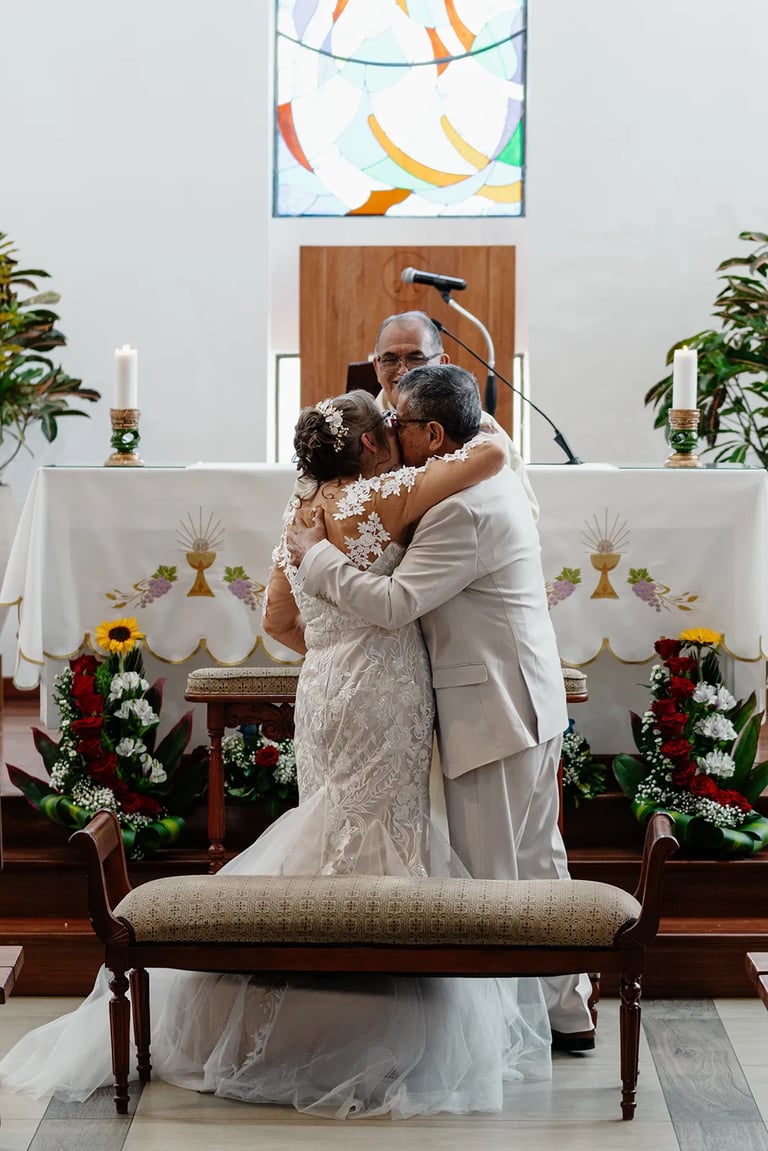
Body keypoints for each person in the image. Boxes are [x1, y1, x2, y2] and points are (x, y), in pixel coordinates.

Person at [0, 389, 552, 1118]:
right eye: (386, 427)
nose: (395, 432)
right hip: (381, 693)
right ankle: (373, 1030)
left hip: (324, 690)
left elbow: (277, 619)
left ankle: (299, 1006)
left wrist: (336, 648)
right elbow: (486, 454)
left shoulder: (303, 513)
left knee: (329, 834)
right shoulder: (384, 496)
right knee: (381, 838)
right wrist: (375, 649)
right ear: (366, 448)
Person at [287, 365, 595, 1051]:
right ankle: (566, 1012)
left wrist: (314, 560)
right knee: (538, 860)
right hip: (525, 697)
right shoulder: (489, 462)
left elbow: (396, 605)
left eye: (400, 420)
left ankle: (502, 1041)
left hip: (493, 709)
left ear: (433, 432)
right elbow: (486, 430)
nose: (388, 430)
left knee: (492, 882)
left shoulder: (460, 507)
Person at [371, 310, 539, 519]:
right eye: (390, 359)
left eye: (416, 358)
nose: (403, 370)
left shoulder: (481, 426)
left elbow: (525, 509)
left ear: (442, 362)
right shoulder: (362, 429)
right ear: (377, 366)